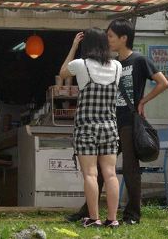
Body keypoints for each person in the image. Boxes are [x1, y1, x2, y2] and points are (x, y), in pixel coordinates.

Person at [66, 18, 168, 225]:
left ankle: (132, 215)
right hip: (111, 121)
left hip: (129, 121)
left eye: (111, 35)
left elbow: (163, 82)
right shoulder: (113, 64)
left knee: (129, 169)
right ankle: (88, 211)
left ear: (124, 38)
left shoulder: (139, 60)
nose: (107, 39)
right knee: (102, 171)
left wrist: (143, 101)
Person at [60, 29, 122, 228]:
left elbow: (62, 73)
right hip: (110, 127)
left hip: (86, 128)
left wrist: (73, 47)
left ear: (87, 45)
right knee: (111, 174)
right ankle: (112, 219)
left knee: (90, 174)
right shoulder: (117, 66)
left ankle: (93, 218)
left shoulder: (81, 65)